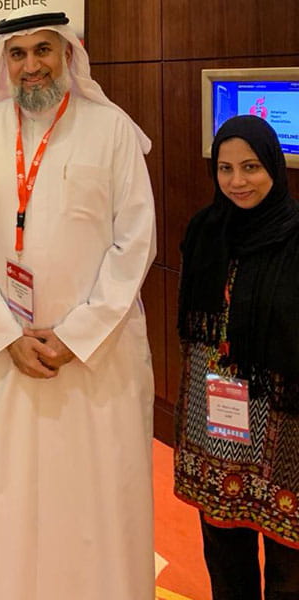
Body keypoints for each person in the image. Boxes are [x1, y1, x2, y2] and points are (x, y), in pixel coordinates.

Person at [0, 9, 157, 599]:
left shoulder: (111, 129)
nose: (31, 65)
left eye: (43, 51)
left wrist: (76, 334)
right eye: (18, 54)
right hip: (5, 358)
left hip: (95, 362)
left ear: (67, 56)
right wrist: (7, 335)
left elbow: (135, 241)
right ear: (3, 63)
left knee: (97, 498)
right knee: (7, 500)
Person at [174, 115, 299, 599]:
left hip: (286, 426)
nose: (237, 181)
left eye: (250, 167)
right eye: (225, 168)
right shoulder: (206, 231)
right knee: (226, 560)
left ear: (273, 165)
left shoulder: (295, 234)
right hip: (217, 424)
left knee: (289, 570)